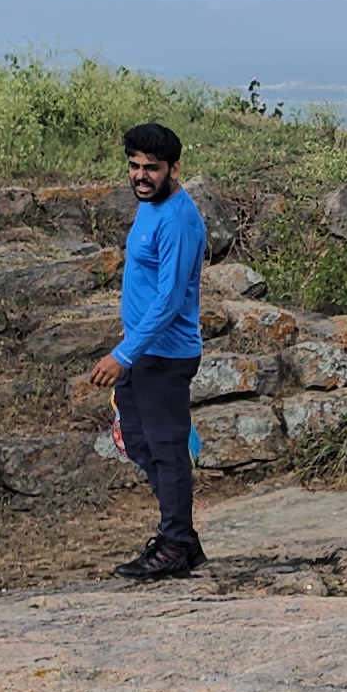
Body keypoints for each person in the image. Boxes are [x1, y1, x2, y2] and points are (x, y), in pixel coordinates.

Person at [90, 123, 207, 580]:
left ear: (174, 169)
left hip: (164, 355)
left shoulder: (178, 219)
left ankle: (176, 541)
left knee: (167, 448)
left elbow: (170, 298)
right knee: (139, 444)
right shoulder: (149, 207)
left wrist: (123, 354)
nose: (141, 176)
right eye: (134, 166)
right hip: (142, 353)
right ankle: (182, 539)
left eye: (151, 168)